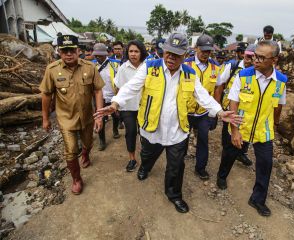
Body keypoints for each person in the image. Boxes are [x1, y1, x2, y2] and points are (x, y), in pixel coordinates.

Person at [94, 33, 241, 213]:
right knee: (147, 155)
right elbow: (131, 87)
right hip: (152, 129)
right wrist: (116, 103)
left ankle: (174, 195)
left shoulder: (189, 74)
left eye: (176, 54)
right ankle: (145, 167)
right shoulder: (149, 67)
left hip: (177, 131)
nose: (171, 57)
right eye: (168, 52)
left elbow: (202, 95)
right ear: (163, 51)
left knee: (176, 166)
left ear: (185, 55)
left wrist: (219, 112)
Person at [216, 41, 287, 217]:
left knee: (265, 165)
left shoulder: (281, 81)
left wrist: (275, 126)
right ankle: (222, 176)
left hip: (264, 130)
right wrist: (234, 130)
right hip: (241, 127)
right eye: (255, 55)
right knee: (230, 154)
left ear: (274, 60)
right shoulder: (244, 76)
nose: (255, 60)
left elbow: (278, 106)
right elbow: (233, 103)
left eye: (261, 57)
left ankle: (257, 199)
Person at [40, 35, 104, 195]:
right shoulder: (52, 70)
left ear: (78, 51)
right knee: (70, 150)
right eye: (64, 51)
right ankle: (76, 179)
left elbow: (97, 90)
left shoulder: (90, 67)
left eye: (72, 50)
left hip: (88, 116)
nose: (68, 54)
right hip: (65, 118)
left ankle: (86, 153)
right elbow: (46, 95)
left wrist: (99, 115)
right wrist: (45, 118)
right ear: (59, 52)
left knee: (88, 143)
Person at [184, 34, 222, 180]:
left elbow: (217, 89)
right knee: (182, 140)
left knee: (203, 141)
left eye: (208, 51)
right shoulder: (185, 65)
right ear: (196, 48)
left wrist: (215, 113)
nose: (206, 54)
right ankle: (178, 163)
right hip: (186, 111)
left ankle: (200, 168)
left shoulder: (215, 67)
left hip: (203, 113)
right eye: (203, 50)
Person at [215, 44, 256, 167]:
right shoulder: (233, 66)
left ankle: (241, 153)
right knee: (228, 133)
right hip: (230, 105)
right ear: (244, 55)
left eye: (254, 57)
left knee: (246, 131)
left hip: (247, 109)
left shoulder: (257, 72)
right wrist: (218, 104)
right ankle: (227, 152)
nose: (250, 60)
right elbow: (220, 83)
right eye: (248, 56)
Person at [114, 40, 147, 172]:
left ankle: (145, 159)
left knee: (145, 134)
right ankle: (132, 158)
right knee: (131, 132)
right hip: (127, 107)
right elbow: (119, 88)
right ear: (127, 53)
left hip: (144, 107)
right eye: (131, 51)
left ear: (141, 52)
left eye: (136, 51)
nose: (133, 54)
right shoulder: (123, 68)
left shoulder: (148, 67)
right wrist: (116, 105)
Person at [92, 43, 121, 151]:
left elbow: (119, 81)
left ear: (106, 54)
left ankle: (115, 130)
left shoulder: (115, 65)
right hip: (99, 98)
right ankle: (102, 140)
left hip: (113, 96)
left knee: (116, 116)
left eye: (100, 55)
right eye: (96, 55)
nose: (98, 57)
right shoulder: (92, 66)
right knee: (100, 118)